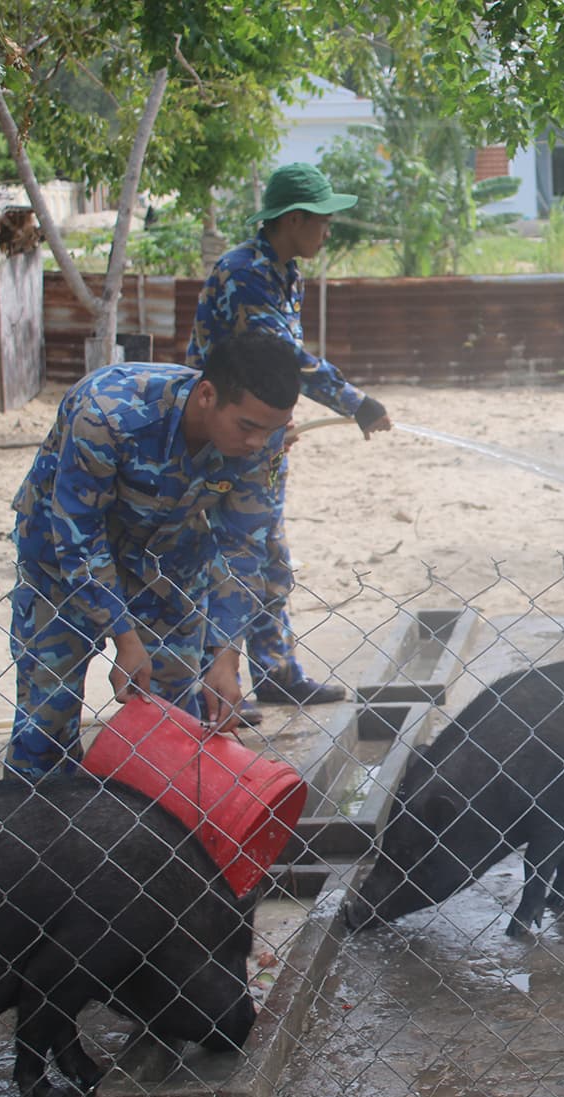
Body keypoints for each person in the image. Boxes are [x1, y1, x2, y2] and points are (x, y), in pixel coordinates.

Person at [7, 334, 301, 781]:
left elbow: (243, 547)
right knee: (47, 712)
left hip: (166, 558)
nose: (259, 443)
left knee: (174, 719)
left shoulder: (263, 437)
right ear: (207, 395)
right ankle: (33, 829)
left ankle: (162, 836)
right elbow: (79, 539)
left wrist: (225, 658)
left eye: (271, 430)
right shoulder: (109, 413)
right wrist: (125, 639)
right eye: (247, 427)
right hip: (61, 559)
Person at [188, 161, 392, 712]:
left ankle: (275, 671)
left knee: (271, 557)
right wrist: (355, 403)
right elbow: (287, 361)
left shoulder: (284, 272)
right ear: (295, 219)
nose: (330, 229)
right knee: (235, 555)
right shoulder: (246, 273)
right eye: (324, 219)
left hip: (266, 438)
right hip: (233, 436)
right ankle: (214, 683)